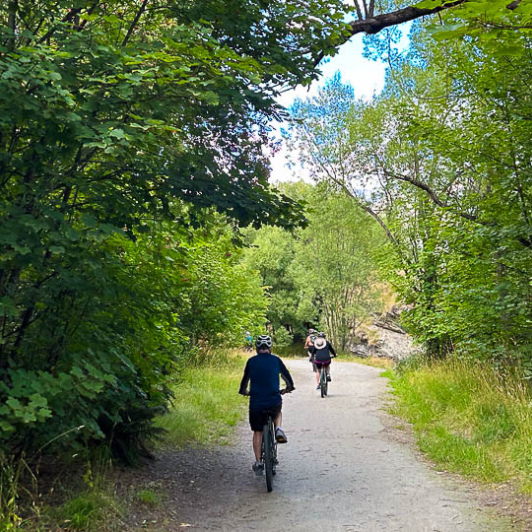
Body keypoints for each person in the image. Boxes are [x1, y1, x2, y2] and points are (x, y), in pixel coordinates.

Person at [239, 334, 295, 476]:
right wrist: (288, 388)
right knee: (277, 411)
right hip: (273, 399)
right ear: (270, 347)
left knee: (258, 432)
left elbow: (245, 380)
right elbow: (287, 377)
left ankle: (258, 462)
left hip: (256, 402)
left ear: (257, 348)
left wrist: (244, 391)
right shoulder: (276, 360)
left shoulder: (251, 362)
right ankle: (278, 429)